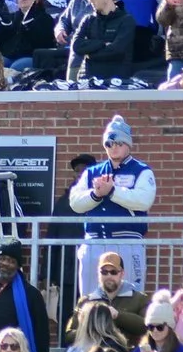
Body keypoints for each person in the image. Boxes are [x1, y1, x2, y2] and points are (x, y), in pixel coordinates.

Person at [66, 114, 157, 296]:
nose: (113, 147)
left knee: (129, 298)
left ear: (128, 145)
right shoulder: (92, 172)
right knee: (90, 298)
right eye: (109, 144)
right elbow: (75, 202)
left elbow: (144, 200)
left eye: (118, 143)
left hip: (128, 241)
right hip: (94, 241)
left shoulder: (142, 171)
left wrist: (113, 191)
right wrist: (96, 194)